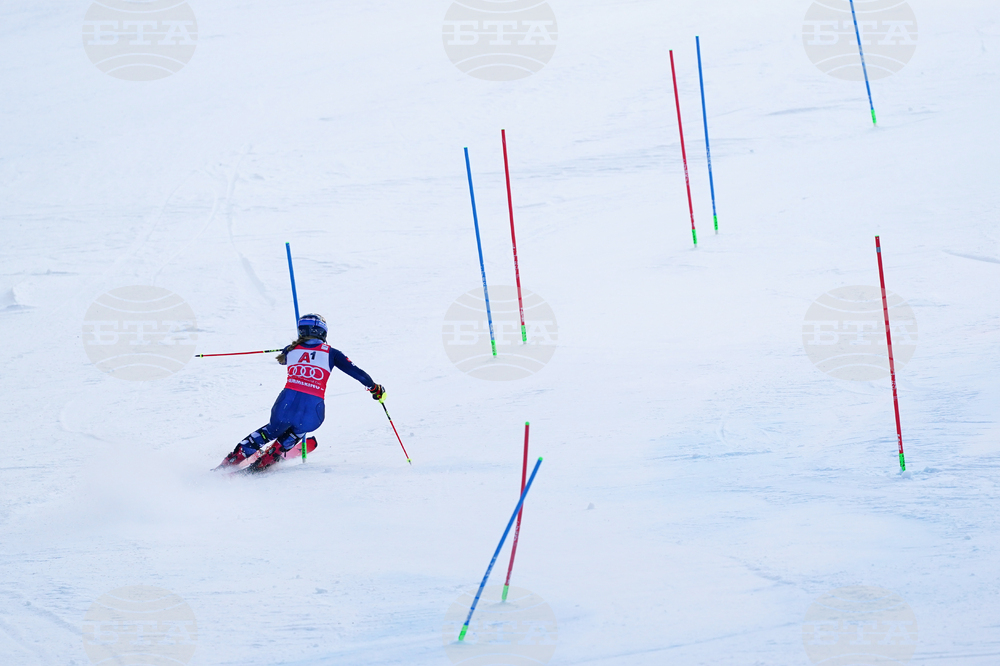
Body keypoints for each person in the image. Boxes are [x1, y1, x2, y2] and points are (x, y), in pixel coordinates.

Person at [215, 313, 384, 473]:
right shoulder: (331, 353)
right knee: (299, 428)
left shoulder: (291, 350)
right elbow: (358, 373)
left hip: (285, 404)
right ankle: (269, 458)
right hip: (313, 409)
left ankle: (232, 461)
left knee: (271, 430)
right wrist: (374, 388)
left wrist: (290, 349)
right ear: (323, 331)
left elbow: (286, 359)